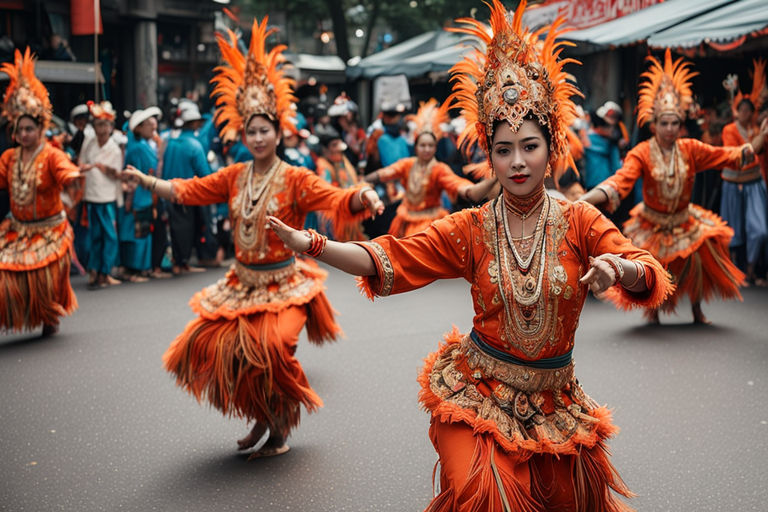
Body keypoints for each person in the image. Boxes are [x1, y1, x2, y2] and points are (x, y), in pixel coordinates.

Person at [268, 2, 673, 509]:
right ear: (490, 156)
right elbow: (388, 256)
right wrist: (314, 244)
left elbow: (647, 271)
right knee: (484, 493)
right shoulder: (473, 228)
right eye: (503, 150)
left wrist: (622, 268)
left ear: (551, 148)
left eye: (529, 146)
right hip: (479, 394)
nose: (518, 161)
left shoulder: (580, 221)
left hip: (555, 402)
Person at [123, 17, 384, 458]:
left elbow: (338, 197)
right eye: (251, 131)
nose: (258, 137)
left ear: (278, 133)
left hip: (287, 283)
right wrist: (147, 182)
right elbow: (189, 190)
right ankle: (262, 416)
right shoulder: (233, 175)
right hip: (243, 282)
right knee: (228, 350)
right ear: (244, 135)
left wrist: (366, 195)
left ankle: (280, 422)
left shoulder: (297, 177)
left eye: (266, 130)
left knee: (276, 347)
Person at [580, 49, 753, 324]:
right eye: (665, 123)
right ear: (654, 124)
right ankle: (654, 310)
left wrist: (753, 146)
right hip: (653, 221)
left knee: (698, 256)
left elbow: (724, 155)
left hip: (684, 218)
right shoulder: (642, 152)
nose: (670, 129)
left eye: (675, 123)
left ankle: (696, 310)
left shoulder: (690, 148)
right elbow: (621, 180)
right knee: (654, 264)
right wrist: (585, 200)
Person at [0, 48, 82, 336]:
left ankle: (48, 316)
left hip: (50, 231)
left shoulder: (52, 155)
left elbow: (69, 176)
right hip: (18, 229)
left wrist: (72, 186)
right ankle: (21, 315)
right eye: (20, 129)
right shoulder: (9, 157)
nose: (24, 134)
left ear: (40, 128)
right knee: (5, 277)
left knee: (44, 282)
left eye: (29, 129)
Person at [364, 99, 497, 237]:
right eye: (422, 145)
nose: (426, 149)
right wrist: (363, 181)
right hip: (404, 224)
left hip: (429, 227)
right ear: (416, 147)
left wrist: (494, 180)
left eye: (430, 145)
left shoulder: (439, 169)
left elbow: (465, 190)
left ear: (435, 148)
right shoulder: (407, 164)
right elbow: (384, 173)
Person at [719, 59, 768, 285]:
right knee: (733, 230)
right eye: (742, 109)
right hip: (733, 184)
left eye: (750, 110)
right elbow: (736, 155)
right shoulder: (730, 129)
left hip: (754, 183)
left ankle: (751, 270)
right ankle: (738, 272)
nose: (746, 113)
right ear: (737, 111)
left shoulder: (758, 129)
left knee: (758, 230)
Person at [161, 103, 213, 274]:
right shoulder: (195, 145)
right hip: (189, 193)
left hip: (168, 190)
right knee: (186, 228)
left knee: (176, 228)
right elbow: (205, 173)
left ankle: (180, 262)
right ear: (194, 123)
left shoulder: (170, 143)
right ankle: (181, 262)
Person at [79, 101, 123, 288]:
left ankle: (105, 272)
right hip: (91, 194)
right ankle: (94, 270)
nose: (102, 128)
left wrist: (101, 168)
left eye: (105, 124)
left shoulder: (114, 148)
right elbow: (81, 163)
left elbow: (117, 173)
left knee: (110, 236)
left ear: (111, 127)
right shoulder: (89, 142)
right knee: (95, 235)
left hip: (107, 196)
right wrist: (90, 167)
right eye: (98, 124)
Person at [119, 108, 161, 282]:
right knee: (138, 234)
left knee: (142, 232)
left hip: (143, 195)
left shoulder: (141, 146)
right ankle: (133, 270)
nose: (152, 127)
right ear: (138, 128)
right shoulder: (139, 149)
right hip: (138, 197)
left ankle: (139, 268)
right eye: (148, 124)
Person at [314, 123, 367, 240]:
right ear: (325, 149)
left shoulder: (342, 159)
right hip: (332, 214)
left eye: (339, 144)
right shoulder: (323, 165)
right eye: (334, 145)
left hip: (347, 206)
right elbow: (326, 196)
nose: (338, 148)